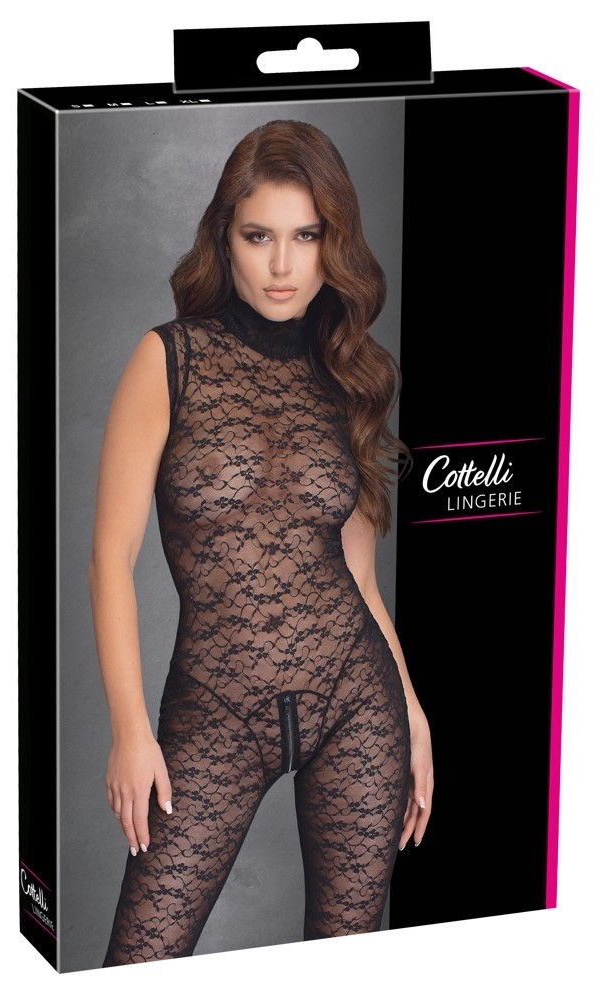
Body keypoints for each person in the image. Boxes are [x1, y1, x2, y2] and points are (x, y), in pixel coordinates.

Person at [89, 119, 434, 965]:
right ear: (225, 238)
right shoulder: (170, 360)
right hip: (215, 708)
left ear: (333, 244)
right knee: (138, 965)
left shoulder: (347, 373)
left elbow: (359, 577)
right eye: (259, 236)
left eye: (306, 237)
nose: (283, 265)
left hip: (357, 701)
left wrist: (414, 713)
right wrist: (130, 729)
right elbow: (110, 559)